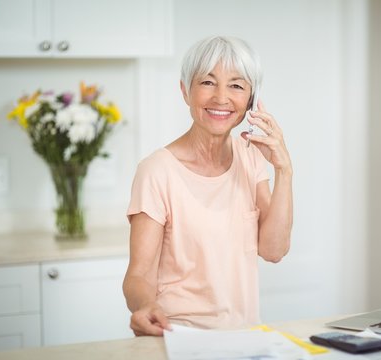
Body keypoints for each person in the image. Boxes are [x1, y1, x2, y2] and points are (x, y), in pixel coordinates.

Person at [122, 36, 293, 336]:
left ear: (251, 99)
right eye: (208, 82)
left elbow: (273, 249)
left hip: (244, 338)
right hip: (179, 336)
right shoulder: (156, 171)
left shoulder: (250, 157)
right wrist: (145, 306)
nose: (221, 98)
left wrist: (284, 169)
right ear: (185, 91)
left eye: (237, 86)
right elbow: (138, 275)